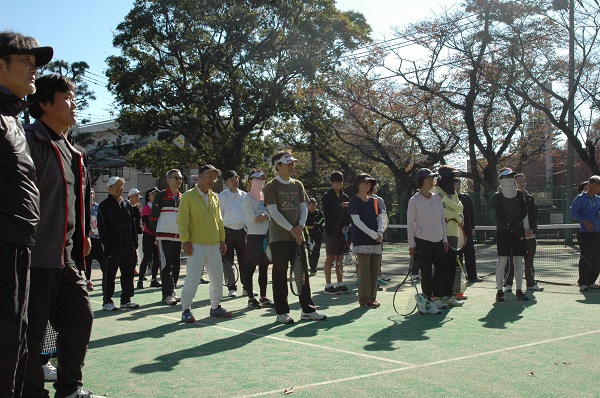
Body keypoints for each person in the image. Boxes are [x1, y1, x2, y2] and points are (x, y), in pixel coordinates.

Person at [25, 73, 100, 397]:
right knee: (29, 338)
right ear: (44, 104)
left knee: (79, 318)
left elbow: (79, 205)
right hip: (31, 260)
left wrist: (82, 238)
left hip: (65, 258)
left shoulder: (75, 153)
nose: (74, 104)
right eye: (66, 98)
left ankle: (69, 388)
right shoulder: (27, 141)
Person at [0, 31, 47, 397]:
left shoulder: (12, 117)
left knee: (15, 341)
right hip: (4, 245)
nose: (34, 70)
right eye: (25, 62)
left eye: (36, 64)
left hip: (18, 246)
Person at [264, 151, 327, 324]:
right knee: (279, 275)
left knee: (302, 275)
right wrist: (293, 229)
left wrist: (300, 227)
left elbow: (304, 208)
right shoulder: (270, 186)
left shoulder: (298, 185)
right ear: (277, 166)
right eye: (288, 163)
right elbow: (273, 212)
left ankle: (308, 310)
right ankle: (282, 312)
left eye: (293, 163)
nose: (292, 166)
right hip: (279, 239)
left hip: (298, 237)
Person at [177, 164, 232, 322]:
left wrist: (222, 239)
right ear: (199, 176)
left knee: (216, 277)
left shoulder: (215, 196)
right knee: (192, 278)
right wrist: (185, 241)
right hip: (195, 245)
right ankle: (186, 309)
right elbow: (182, 221)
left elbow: (219, 220)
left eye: (214, 177)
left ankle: (216, 307)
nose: (212, 180)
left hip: (214, 244)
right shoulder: (188, 196)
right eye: (209, 176)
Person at [407, 168, 447, 315]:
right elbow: (410, 223)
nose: (431, 182)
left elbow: (442, 220)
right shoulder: (414, 200)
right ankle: (428, 302)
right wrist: (412, 244)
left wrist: (444, 238)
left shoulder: (437, 198)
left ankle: (431, 297)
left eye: (432, 179)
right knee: (426, 272)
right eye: (428, 179)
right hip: (421, 241)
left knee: (443, 268)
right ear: (420, 181)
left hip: (438, 241)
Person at [97, 176, 139, 311]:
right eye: (116, 186)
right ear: (109, 188)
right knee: (109, 275)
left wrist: (134, 241)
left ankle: (126, 299)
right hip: (113, 247)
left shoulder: (127, 204)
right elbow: (102, 227)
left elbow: (132, 224)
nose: (119, 188)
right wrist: (107, 246)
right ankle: (107, 301)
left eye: (121, 186)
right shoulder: (104, 206)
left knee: (128, 273)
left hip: (128, 246)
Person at [492, 168, 529, 302]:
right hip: (503, 232)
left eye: (511, 176)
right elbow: (500, 214)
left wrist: (516, 224)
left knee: (518, 260)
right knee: (502, 260)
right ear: (500, 179)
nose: (509, 179)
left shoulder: (519, 194)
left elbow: (524, 210)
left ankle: (519, 290)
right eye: (506, 176)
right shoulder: (497, 196)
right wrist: (509, 225)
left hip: (518, 231)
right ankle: (499, 291)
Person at [349, 173, 384, 308]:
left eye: (369, 182)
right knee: (364, 271)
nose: (367, 184)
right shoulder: (354, 201)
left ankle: (372, 298)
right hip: (362, 240)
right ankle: (364, 299)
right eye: (364, 182)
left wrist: (379, 232)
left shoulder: (374, 201)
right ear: (357, 184)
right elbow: (357, 221)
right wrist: (373, 234)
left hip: (376, 241)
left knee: (375, 271)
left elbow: (380, 218)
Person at [431, 166, 464, 307]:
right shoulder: (435, 191)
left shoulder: (452, 193)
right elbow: (440, 212)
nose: (454, 180)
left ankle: (448, 295)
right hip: (440, 235)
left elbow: (460, 208)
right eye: (451, 177)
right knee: (440, 267)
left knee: (451, 266)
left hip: (454, 234)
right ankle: (436, 296)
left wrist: (451, 207)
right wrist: (455, 215)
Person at [242, 169, 275, 309]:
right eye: (258, 178)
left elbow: (270, 214)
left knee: (264, 266)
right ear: (250, 181)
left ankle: (263, 296)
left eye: (263, 178)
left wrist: (265, 215)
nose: (261, 181)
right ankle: (250, 297)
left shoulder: (265, 197)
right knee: (251, 266)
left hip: (266, 236)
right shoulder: (247, 199)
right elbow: (254, 219)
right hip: (254, 237)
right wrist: (266, 215)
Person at [150, 169, 183, 305]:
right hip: (164, 236)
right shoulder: (161, 196)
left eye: (181, 178)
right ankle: (167, 294)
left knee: (177, 265)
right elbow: (153, 217)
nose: (178, 180)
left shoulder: (183, 197)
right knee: (166, 265)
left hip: (178, 237)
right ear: (168, 180)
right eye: (175, 178)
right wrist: (156, 235)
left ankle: (172, 292)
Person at [505, 173, 542, 292]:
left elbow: (534, 216)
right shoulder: (509, 198)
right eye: (518, 181)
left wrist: (533, 229)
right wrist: (518, 232)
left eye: (523, 181)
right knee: (512, 262)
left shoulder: (530, 198)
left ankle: (530, 284)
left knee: (529, 261)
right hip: (514, 237)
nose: (521, 183)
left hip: (530, 236)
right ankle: (508, 284)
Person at [219, 170, 248, 297]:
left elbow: (248, 215)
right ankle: (231, 287)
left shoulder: (244, 195)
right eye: (231, 179)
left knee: (245, 260)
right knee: (227, 261)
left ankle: (247, 287)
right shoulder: (221, 196)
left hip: (242, 231)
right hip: (227, 232)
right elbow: (218, 217)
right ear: (225, 182)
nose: (234, 181)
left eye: (236, 178)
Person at [321, 171, 350, 295]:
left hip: (342, 232)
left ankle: (340, 283)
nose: (339, 185)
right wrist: (340, 206)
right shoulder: (326, 196)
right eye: (336, 183)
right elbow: (327, 213)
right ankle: (328, 285)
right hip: (331, 231)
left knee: (340, 258)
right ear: (332, 183)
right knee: (330, 257)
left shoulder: (346, 197)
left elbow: (349, 215)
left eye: (341, 182)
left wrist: (346, 226)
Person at [570, 175, 600, 292]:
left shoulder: (598, 199)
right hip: (586, 234)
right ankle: (583, 283)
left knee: (597, 258)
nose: (597, 190)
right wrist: (584, 221)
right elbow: (573, 212)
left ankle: (591, 282)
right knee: (586, 258)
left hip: (598, 232)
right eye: (596, 187)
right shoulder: (579, 199)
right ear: (589, 185)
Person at [454, 179, 481, 283]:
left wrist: (472, 227)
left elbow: (471, 213)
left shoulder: (466, 197)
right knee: (458, 255)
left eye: (458, 184)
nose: (457, 186)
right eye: (455, 184)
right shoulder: (451, 198)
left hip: (468, 231)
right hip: (456, 232)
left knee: (470, 253)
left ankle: (472, 276)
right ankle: (459, 278)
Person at [137, 187, 161, 289]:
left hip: (157, 236)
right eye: (153, 194)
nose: (155, 196)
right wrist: (155, 236)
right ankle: (140, 280)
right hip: (148, 235)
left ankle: (154, 279)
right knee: (146, 258)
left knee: (156, 258)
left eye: (156, 194)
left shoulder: (159, 207)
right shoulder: (146, 208)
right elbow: (148, 223)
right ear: (148, 196)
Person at [85, 189, 106, 291]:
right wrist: (88, 231)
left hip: (98, 239)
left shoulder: (98, 207)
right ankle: (88, 281)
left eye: (91, 194)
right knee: (88, 262)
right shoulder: (84, 208)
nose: (90, 196)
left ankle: (105, 279)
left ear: (94, 195)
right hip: (89, 239)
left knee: (102, 260)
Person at [305, 197, 324, 276]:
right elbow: (303, 223)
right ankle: (312, 268)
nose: (312, 205)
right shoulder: (305, 213)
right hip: (309, 236)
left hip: (318, 236)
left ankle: (314, 268)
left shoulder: (319, 213)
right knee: (310, 252)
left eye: (314, 203)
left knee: (316, 252)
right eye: (310, 203)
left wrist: (314, 226)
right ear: (308, 205)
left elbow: (321, 221)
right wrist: (308, 227)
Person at [128, 187, 144, 277]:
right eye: (136, 195)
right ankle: (132, 269)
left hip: (139, 232)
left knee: (141, 252)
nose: (138, 197)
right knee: (132, 253)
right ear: (130, 196)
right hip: (130, 234)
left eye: (138, 195)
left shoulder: (138, 206)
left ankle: (142, 271)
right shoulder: (126, 206)